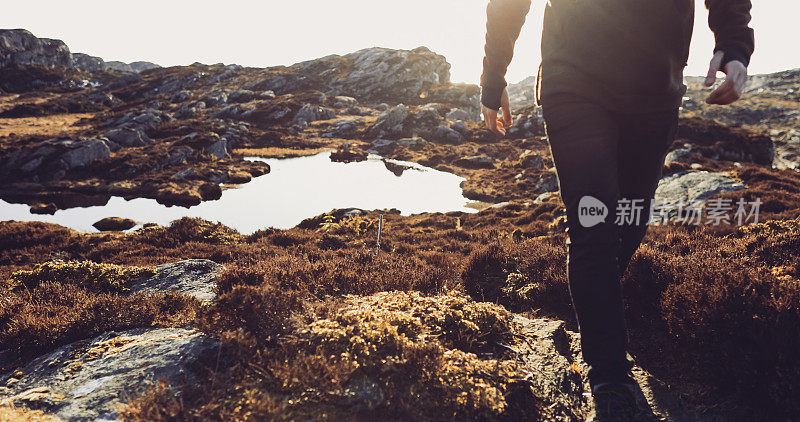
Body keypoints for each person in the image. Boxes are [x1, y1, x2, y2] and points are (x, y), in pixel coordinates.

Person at [479, 0, 754, 420]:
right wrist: (493, 73)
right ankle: (609, 377)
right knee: (594, 225)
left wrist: (734, 45)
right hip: (573, 79)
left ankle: (590, 316)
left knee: (630, 222)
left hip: (655, 92)